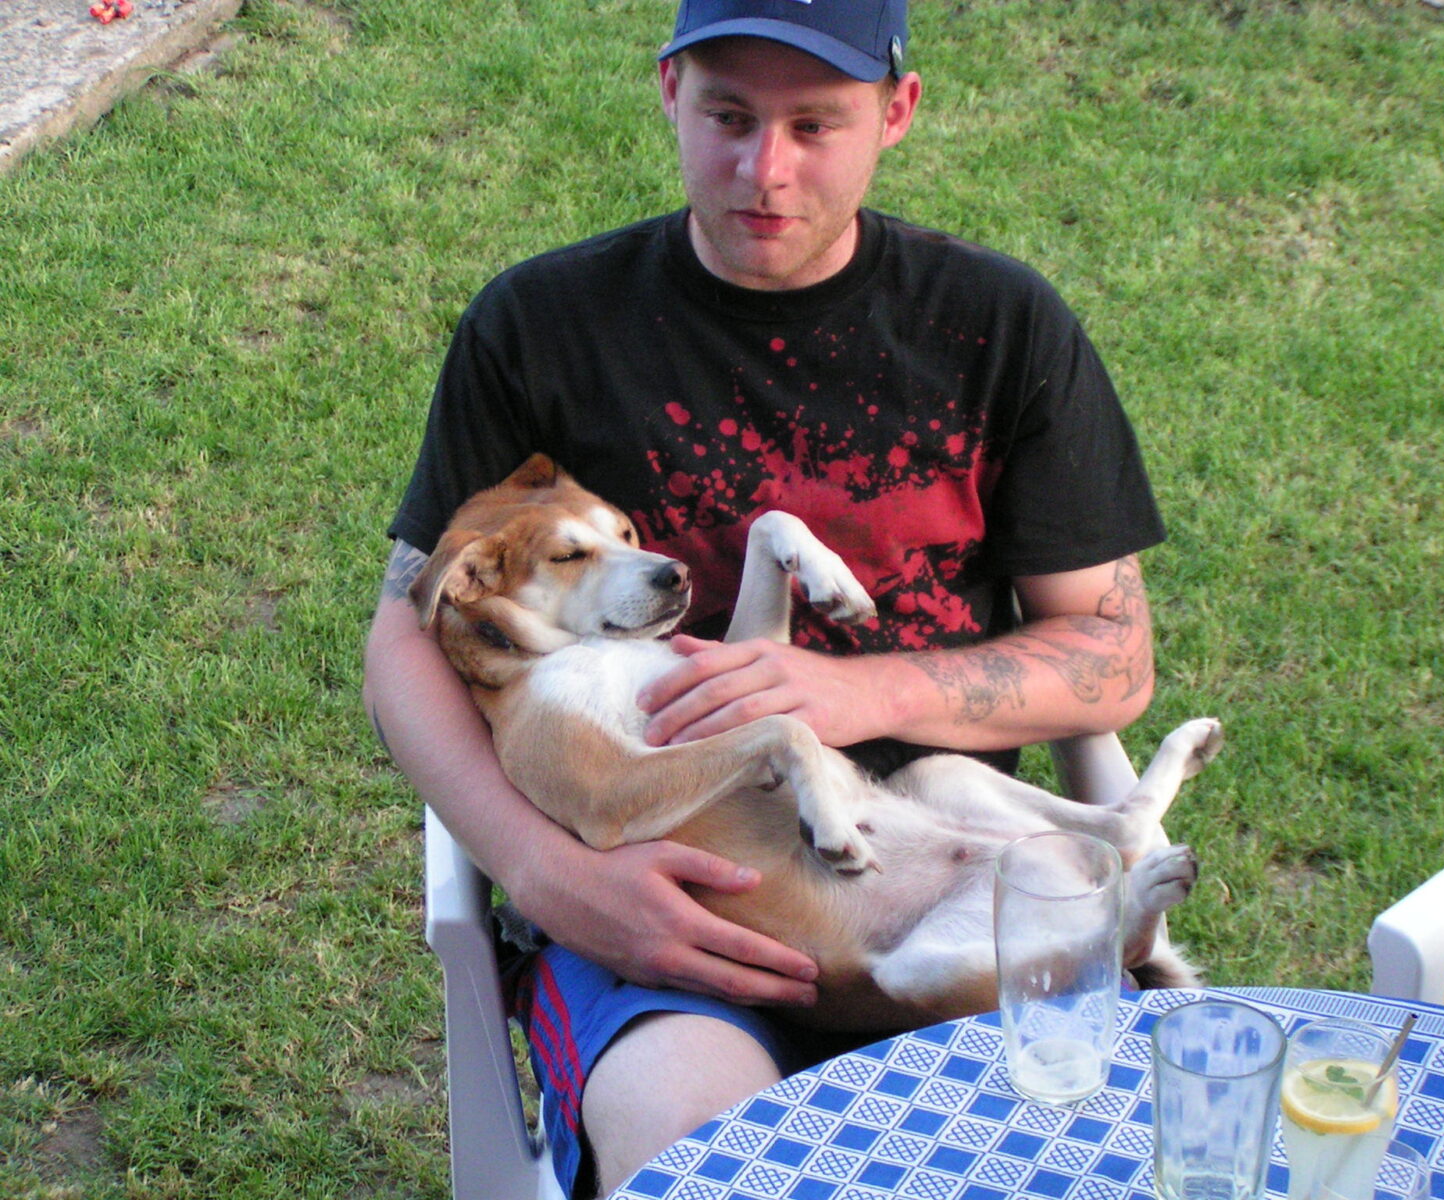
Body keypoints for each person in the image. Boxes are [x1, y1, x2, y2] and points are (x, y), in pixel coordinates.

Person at [363, 0, 1167, 1194]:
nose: (765, 171)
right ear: (668, 92)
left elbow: (1111, 655)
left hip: (949, 867)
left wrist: (859, 692)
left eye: (815, 125)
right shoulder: (539, 324)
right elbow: (403, 635)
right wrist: (541, 871)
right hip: (667, 909)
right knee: (701, 1155)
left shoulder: (997, 325)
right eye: (729, 117)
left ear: (896, 112)